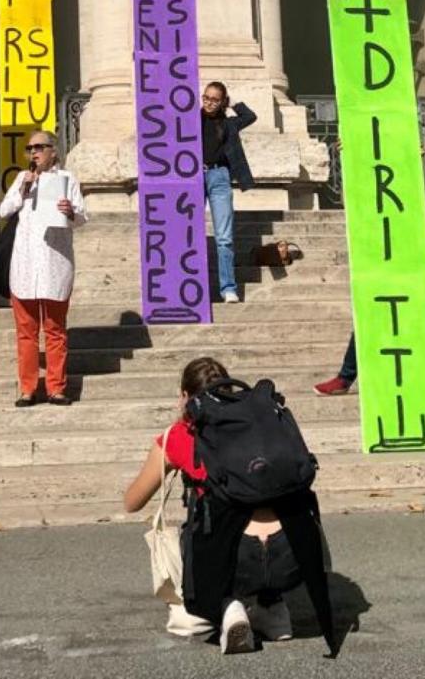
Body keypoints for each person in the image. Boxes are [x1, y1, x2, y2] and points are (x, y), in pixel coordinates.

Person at [125, 355, 318, 649]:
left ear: (185, 397)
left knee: (200, 524)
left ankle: (227, 607)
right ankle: (273, 609)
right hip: (289, 553)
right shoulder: (267, 426)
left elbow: (133, 502)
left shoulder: (178, 436)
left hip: (230, 556)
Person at [0, 129, 87, 407]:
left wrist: (70, 211)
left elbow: (82, 216)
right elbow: (4, 211)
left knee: (55, 329)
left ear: (53, 151)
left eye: (39, 147)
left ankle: (56, 388)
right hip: (25, 263)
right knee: (26, 331)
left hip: (54, 262)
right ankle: (27, 388)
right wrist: (23, 188)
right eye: (30, 149)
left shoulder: (67, 179)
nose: (33, 153)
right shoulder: (22, 179)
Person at [201, 82, 256, 305]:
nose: (209, 103)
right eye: (206, 97)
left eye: (215, 99)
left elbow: (250, 116)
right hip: (192, 177)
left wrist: (232, 102)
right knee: (188, 234)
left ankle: (228, 288)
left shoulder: (229, 123)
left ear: (222, 101)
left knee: (224, 237)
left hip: (219, 177)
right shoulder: (189, 119)